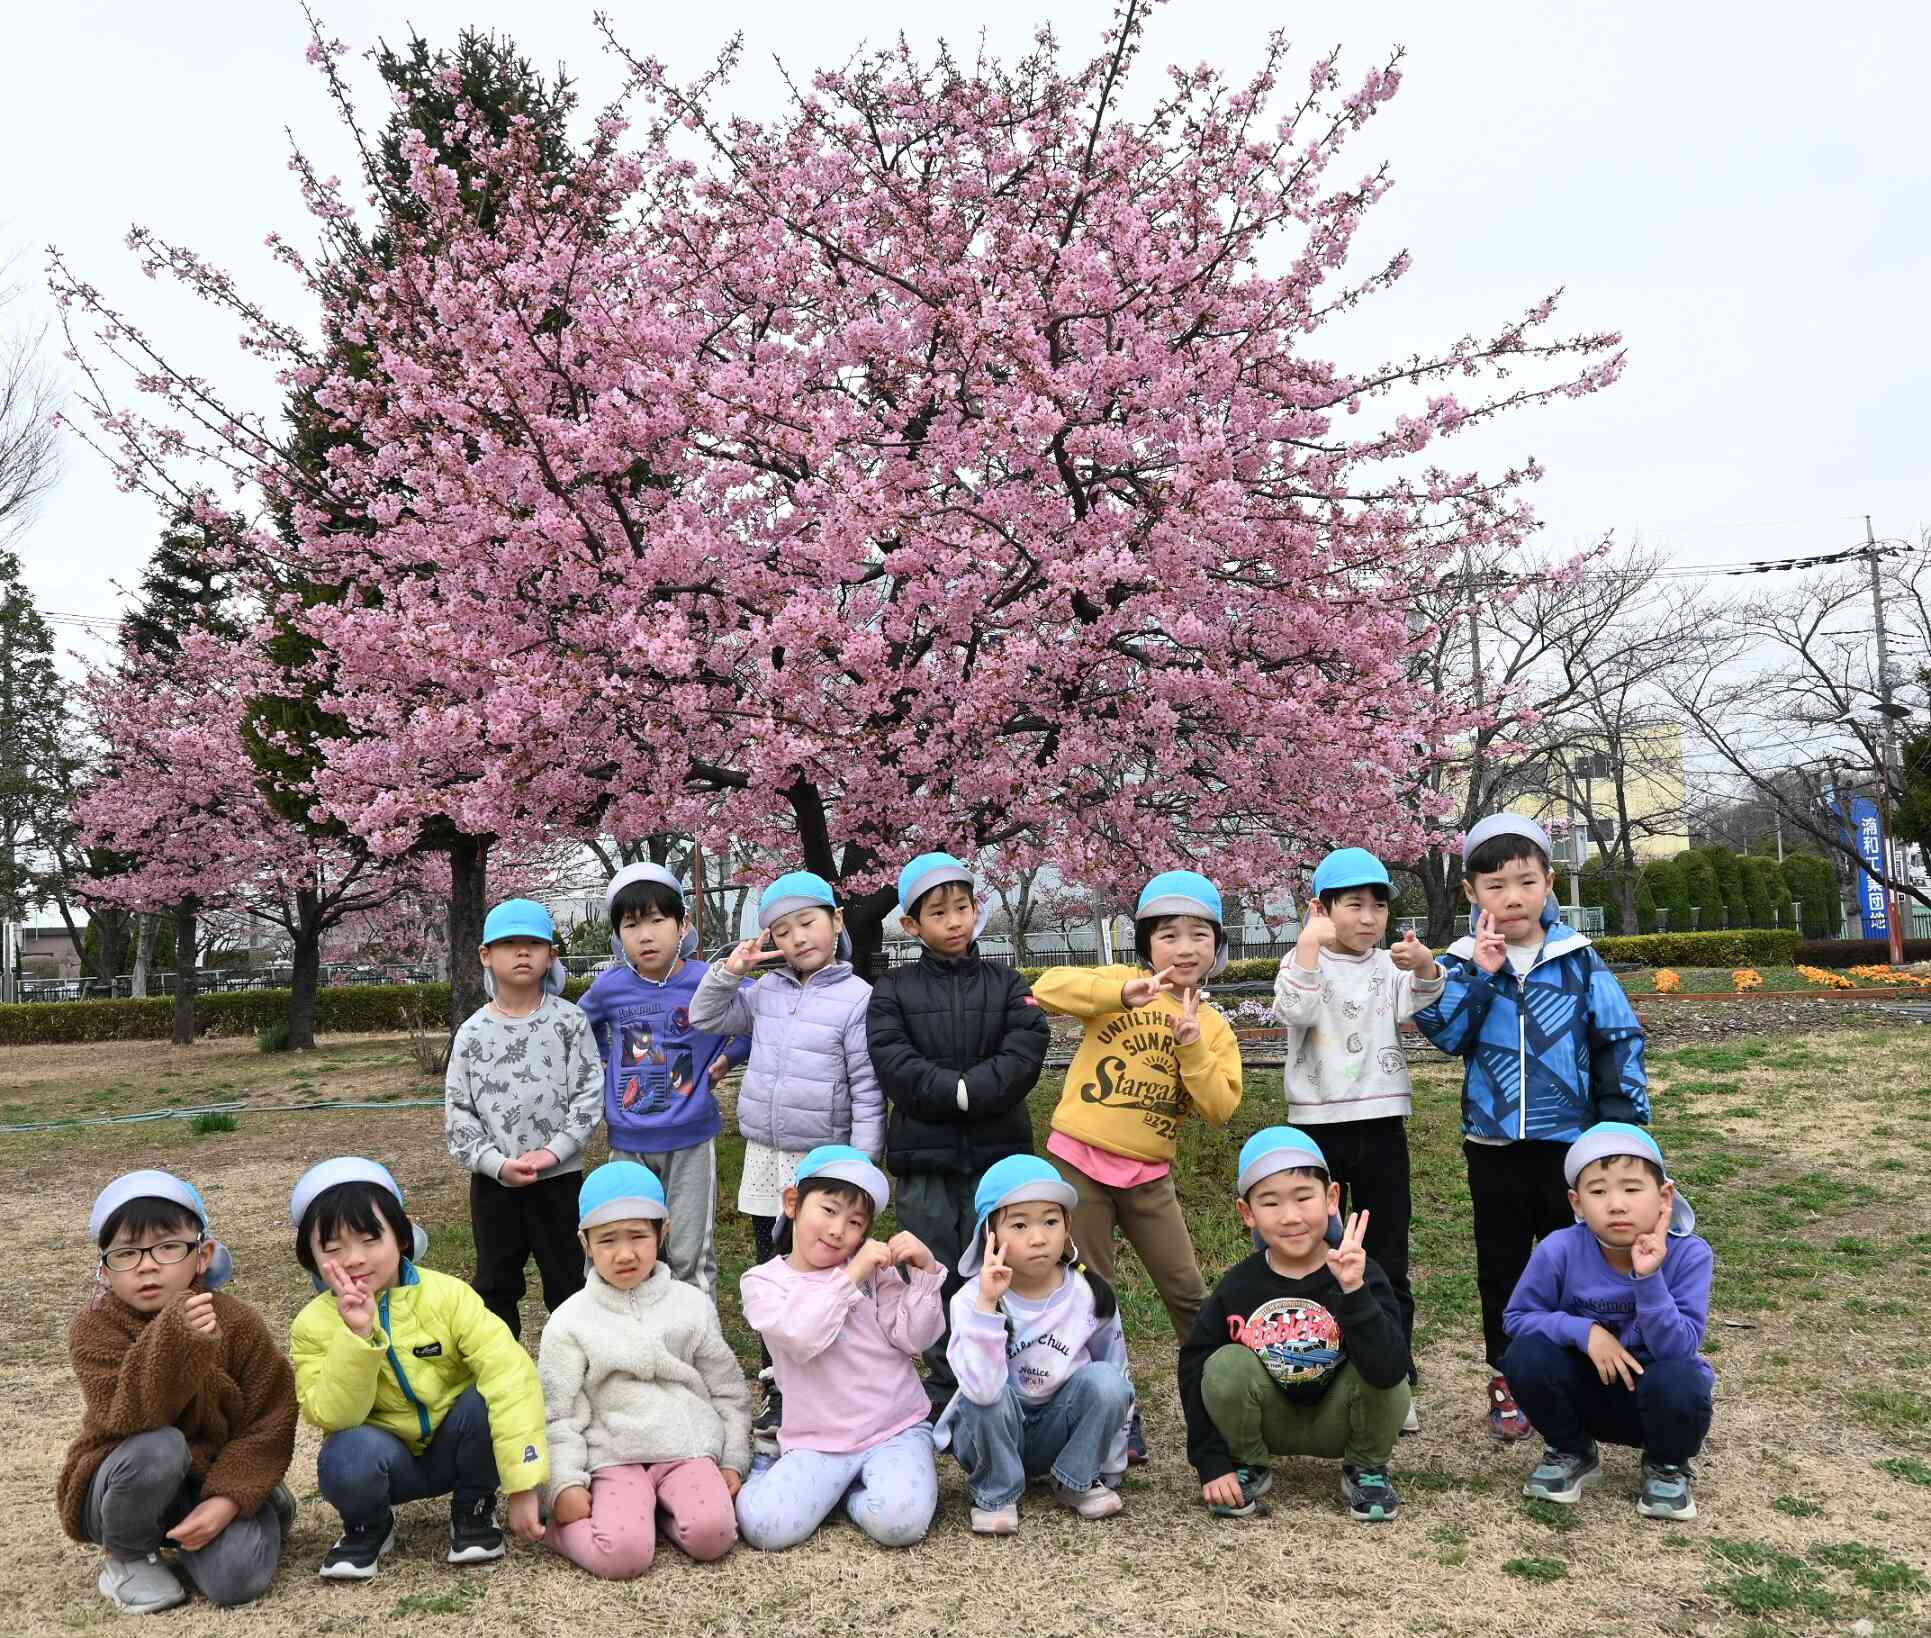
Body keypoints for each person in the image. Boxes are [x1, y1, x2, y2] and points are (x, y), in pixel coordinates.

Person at [1414, 815, 1649, 1440]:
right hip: (1492, 1143)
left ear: (1550, 883)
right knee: (1502, 1262)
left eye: (1525, 882)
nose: (1511, 898)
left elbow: (1618, 1036)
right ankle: (1509, 1373)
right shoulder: (1459, 963)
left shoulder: (1577, 959)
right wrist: (1482, 976)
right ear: (1470, 892)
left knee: (1579, 1258)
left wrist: (1621, 1125)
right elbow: (1447, 1036)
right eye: (1495, 886)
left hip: (1570, 1145)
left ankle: (1580, 1362)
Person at [1033, 869, 1243, 1457]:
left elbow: (1221, 1106)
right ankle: (1113, 1413)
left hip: (1150, 1176)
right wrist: (1118, 995)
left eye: (1199, 935)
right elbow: (1049, 987)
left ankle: (1217, 1407)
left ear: (1217, 946)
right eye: (1168, 935)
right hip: (1080, 1167)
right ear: (1146, 943)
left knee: (1188, 1293)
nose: (1183, 948)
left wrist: (1191, 1042)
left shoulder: (1215, 1026)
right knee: (1091, 1296)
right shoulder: (1124, 985)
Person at [688, 869, 882, 1448]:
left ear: (836, 922)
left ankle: (837, 1377)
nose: (798, 938)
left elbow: (868, 1088)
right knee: (774, 1264)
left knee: (828, 1266)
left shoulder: (857, 998)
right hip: (766, 1155)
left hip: (823, 1161)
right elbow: (705, 1017)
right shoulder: (765, 994)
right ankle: (779, 1380)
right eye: (783, 930)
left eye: (808, 923)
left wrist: (863, 1167)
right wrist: (730, 971)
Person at [288, 1157, 548, 1581]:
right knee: (345, 1452)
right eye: (333, 1248)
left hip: (457, 1445)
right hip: (385, 1459)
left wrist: (522, 1484)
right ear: (311, 1258)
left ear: (402, 1237)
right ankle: (368, 1524)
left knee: (485, 1397)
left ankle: (475, 1508)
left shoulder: (449, 1296)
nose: (354, 1259)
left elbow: (510, 1374)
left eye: (370, 1239)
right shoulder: (312, 1324)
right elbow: (334, 1416)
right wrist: (357, 1337)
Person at [58, 1171, 297, 1615]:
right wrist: (173, 1340)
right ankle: (128, 1557)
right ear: (105, 1269)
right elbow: (124, 1416)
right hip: (123, 1481)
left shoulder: (238, 1323)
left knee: (237, 1580)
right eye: (126, 1254)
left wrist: (229, 1498)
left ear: (202, 1254)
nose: (147, 1265)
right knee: (160, 1447)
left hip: (211, 1476)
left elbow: (272, 1418)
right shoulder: (94, 1328)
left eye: (168, 1247)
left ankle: (257, 1499)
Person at [866, 852, 1051, 1417]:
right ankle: (946, 1381)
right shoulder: (893, 990)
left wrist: (976, 1089)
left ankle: (1008, 1369)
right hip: (925, 1159)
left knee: (1000, 1263)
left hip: (998, 1157)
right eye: (938, 912)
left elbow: (1025, 1047)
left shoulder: (1007, 982)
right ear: (910, 925)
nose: (954, 921)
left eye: (962, 907)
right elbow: (892, 1057)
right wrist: (954, 1091)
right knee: (934, 1266)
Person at [1272, 846, 1443, 1433]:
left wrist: (1422, 964)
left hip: (1380, 1122)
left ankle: (1395, 1377)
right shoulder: (1302, 960)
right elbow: (1294, 1009)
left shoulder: (1386, 967)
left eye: (1377, 906)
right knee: (1313, 1249)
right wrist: (1310, 945)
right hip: (1315, 1128)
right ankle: (1316, 1367)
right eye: (1353, 905)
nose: (1368, 918)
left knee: (1387, 1253)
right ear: (1320, 908)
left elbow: (1420, 1000)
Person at [1179, 1127, 1410, 1523]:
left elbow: (1390, 1370)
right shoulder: (1240, 1285)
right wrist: (1211, 1461)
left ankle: (1366, 1468)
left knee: (1385, 1365)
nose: (1290, 1217)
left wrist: (1353, 1291)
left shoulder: (1360, 1272)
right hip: (1269, 1421)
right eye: (1270, 1203)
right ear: (1247, 1213)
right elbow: (1194, 1365)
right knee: (1223, 1364)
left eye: (1304, 1198)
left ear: (1332, 1198)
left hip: (1342, 1418)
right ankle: (1248, 1464)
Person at [536, 1163, 753, 1578]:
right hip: (613, 1457)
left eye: (638, 1236)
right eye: (607, 1240)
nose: (625, 1253)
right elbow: (557, 1412)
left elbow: (728, 1389)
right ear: (585, 1243)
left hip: (687, 1448)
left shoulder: (691, 1304)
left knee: (715, 1536)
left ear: (662, 1234)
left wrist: (733, 1458)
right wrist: (563, 1483)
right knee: (623, 1557)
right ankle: (562, 1532)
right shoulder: (568, 1321)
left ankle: (656, 1516)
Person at [734, 1146, 944, 1552]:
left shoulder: (874, 1276)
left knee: (901, 1523)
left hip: (894, 1428)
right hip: (818, 1439)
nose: (837, 1230)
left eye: (854, 1222)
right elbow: (802, 1338)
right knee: (763, 1527)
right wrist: (850, 1277)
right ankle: (777, 1467)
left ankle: (848, 1495)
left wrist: (926, 1274)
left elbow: (915, 1339)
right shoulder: (763, 1283)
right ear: (793, 1203)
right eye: (828, 1211)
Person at [1503, 1123, 1714, 1521]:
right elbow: (1517, 1318)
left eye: (1632, 1189)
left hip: (1655, 1398)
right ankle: (1572, 1450)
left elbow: (1680, 1348)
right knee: (1525, 1355)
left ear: (1664, 1195)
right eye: (1598, 1191)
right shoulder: (1559, 1249)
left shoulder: (1690, 1255)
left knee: (1683, 1377)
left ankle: (1667, 1465)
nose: (1616, 1204)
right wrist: (1585, 1332)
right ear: (1577, 1203)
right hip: (1584, 1391)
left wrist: (1649, 1278)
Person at [933, 1155, 1135, 1535]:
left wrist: (1110, 1463)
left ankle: (1075, 1479)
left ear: (1068, 1226)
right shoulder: (970, 1299)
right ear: (990, 1234)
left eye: (1050, 1221)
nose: (1038, 1237)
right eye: (1020, 1224)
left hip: (1058, 1427)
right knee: (987, 1397)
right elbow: (980, 1388)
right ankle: (997, 1492)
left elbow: (1116, 1373)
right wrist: (988, 1305)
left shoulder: (1090, 1293)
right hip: (992, 1430)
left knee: (1106, 1381)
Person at [578, 862, 750, 1298]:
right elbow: (575, 1026)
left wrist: (728, 1058)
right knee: (632, 1249)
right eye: (632, 925)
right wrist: (601, 1057)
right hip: (629, 1141)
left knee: (692, 1252)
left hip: (691, 1140)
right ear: (619, 936)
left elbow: (754, 1023)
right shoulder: (609, 988)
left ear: (682, 925)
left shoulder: (705, 982)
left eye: (657, 920)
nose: (646, 935)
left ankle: (697, 1342)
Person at [446, 897, 604, 1340]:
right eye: (509, 944)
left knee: (570, 1283)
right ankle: (501, 1381)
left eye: (533, 944)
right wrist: (496, 1163)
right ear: (485, 955)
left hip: (560, 1180)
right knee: (495, 1286)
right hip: (496, 1186)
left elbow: (590, 1097)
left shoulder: (570, 1022)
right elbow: (460, 1113)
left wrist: (554, 1152)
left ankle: (577, 1371)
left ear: (550, 954)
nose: (521, 953)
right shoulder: (473, 1033)